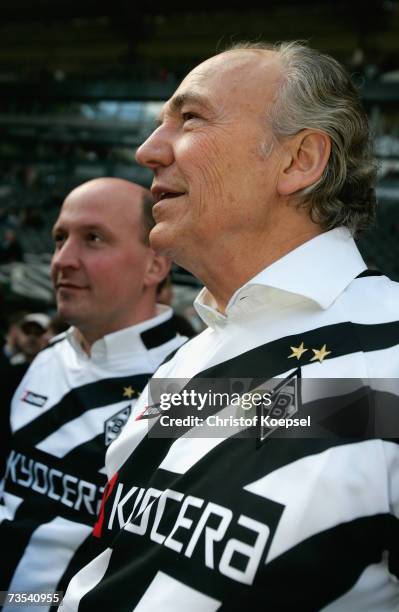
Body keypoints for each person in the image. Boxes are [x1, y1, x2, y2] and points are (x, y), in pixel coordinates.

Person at [63, 43, 399, 611]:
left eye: (190, 118)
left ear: (299, 162)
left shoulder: (389, 357)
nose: (148, 151)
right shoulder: (189, 360)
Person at [0, 178, 187, 608]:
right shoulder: (47, 355)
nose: (62, 260)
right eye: (60, 239)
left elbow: (352, 411)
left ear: (155, 266)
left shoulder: (190, 377)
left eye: (94, 239)